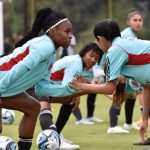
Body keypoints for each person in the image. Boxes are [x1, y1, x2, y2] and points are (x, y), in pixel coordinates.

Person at [0, 7, 72, 150]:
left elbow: (42, 87)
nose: (70, 36)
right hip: (2, 82)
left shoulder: (51, 52)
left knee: (33, 107)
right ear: (52, 31)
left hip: (4, 85)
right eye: (67, 31)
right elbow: (21, 67)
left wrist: (71, 88)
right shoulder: (44, 46)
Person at [69, 19, 150, 144]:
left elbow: (109, 88)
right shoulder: (126, 43)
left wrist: (81, 85)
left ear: (100, 38)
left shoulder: (114, 50)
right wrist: (144, 120)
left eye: (96, 40)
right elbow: (147, 86)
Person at [35, 42, 103, 149]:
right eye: (91, 55)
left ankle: (56, 135)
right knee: (56, 105)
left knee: (70, 101)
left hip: (44, 85)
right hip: (42, 86)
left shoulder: (78, 62)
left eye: (96, 58)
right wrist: (88, 88)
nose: (93, 60)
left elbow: (70, 86)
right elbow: (67, 88)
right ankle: (55, 139)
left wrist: (77, 94)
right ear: (84, 53)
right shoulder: (77, 63)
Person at [107, 10, 144, 134]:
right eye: (135, 20)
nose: (138, 23)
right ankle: (112, 126)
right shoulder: (126, 35)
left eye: (140, 20)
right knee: (119, 95)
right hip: (121, 70)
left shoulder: (133, 35)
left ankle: (128, 123)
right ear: (128, 22)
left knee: (132, 95)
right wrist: (119, 72)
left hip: (128, 71)